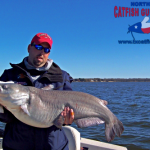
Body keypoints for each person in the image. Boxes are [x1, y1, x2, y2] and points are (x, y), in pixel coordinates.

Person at [0, 33, 74, 150]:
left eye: (46, 49)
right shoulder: (9, 75)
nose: (42, 52)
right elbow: (3, 117)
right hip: (17, 146)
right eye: (38, 47)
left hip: (52, 146)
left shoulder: (61, 76)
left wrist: (67, 119)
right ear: (29, 48)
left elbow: (69, 110)